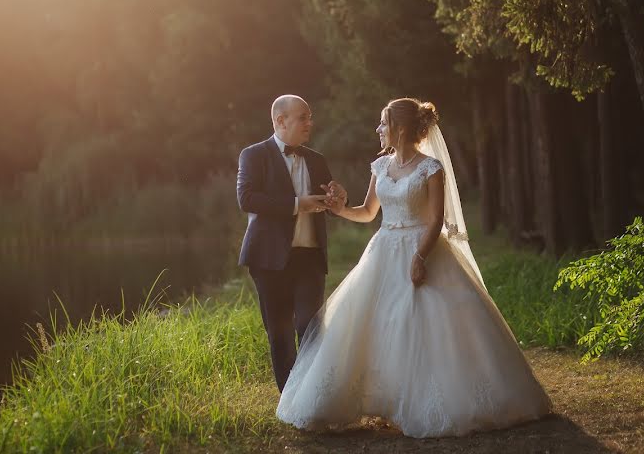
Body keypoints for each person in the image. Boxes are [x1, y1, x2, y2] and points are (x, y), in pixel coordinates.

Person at [276, 97, 552, 438]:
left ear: (400, 128)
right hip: (384, 250)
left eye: (383, 124)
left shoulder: (430, 168)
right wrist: (338, 208)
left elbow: (436, 219)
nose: (378, 129)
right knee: (381, 322)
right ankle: (381, 398)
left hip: (422, 249)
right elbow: (367, 212)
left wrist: (420, 257)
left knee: (426, 323)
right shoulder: (380, 168)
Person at [236, 95, 346, 392]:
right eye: (303, 117)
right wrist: (298, 204)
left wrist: (338, 199)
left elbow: (330, 205)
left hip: (310, 257)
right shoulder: (253, 155)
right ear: (280, 121)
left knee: (310, 327)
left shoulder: (317, 159)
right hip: (268, 259)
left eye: (310, 116)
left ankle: (313, 394)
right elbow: (246, 199)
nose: (310, 122)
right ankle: (290, 399)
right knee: (279, 334)